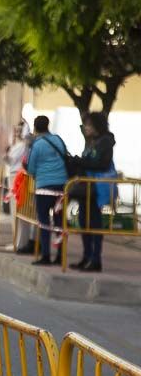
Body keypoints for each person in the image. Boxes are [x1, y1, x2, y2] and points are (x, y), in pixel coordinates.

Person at [73, 112, 116, 272]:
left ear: (97, 126)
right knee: (84, 223)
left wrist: (80, 161)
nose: (86, 128)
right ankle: (86, 257)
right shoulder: (93, 142)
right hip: (86, 188)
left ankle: (95, 259)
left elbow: (100, 163)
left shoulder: (105, 142)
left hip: (96, 188)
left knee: (94, 225)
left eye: (89, 125)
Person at [24, 116, 68, 267]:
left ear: (35, 128)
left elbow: (30, 168)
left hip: (44, 186)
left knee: (43, 222)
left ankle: (46, 255)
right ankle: (60, 256)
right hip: (62, 186)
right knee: (59, 222)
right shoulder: (58, 140)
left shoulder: (37, 145)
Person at [3, 122, 35, 254]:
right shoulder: (20, 145)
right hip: (16, 177)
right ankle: (18, 241)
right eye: (15, 130)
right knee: (17, 212)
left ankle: (19, 242)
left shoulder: (22, 146)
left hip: (17, 178)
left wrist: (6, 156)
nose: (16, 133)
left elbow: (11, 161)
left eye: (19, 131)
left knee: (18, 211)